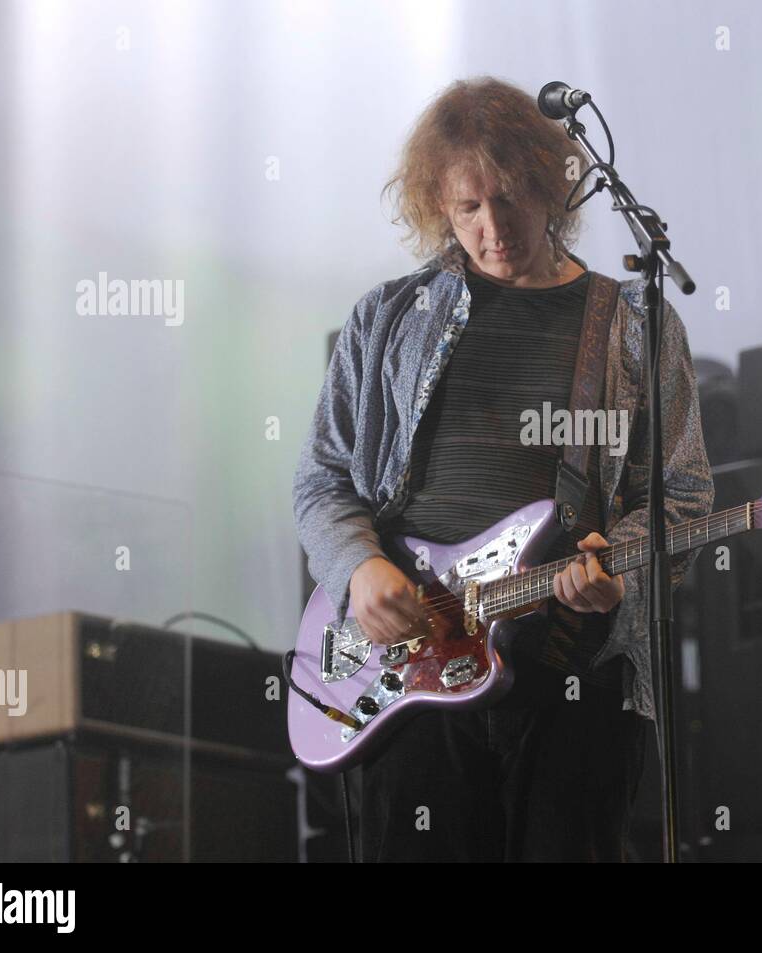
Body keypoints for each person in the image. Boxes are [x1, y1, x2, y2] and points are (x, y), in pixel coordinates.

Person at [293, 76, 714, 862]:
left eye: (513, 196)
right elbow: (322, 476)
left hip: (575, 674)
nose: (495, 227)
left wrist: (616, 568)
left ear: (555, 183)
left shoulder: (632, 323)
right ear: (439, 210)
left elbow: (682, 494)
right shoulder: (387, 320)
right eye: (468, 208)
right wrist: (360, 568)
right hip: (414, 676)